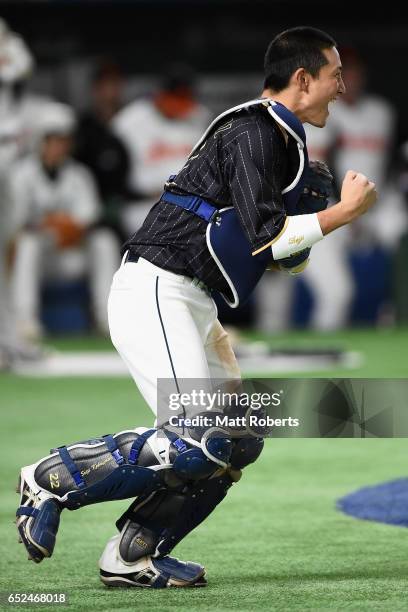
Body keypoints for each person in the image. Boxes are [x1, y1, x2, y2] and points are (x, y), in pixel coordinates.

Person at [16, 27, 377, 588]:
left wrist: (309, 220)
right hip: (157, 288)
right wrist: (343, 214)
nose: (342, 85)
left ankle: (132, 555)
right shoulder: (255, 129)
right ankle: (50, 478)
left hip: (193, 300)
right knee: (195, 436)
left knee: (237, 439)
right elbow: (266, 240)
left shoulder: (285, 142)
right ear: (302, 79)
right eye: (334, 74)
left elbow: (282, 259)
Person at [10, 102, 119, 338]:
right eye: (54, 140)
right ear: (40, 141)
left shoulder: (79, 174)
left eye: (64, 140)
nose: (60, 146)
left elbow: (88, 219)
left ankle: (106, 319)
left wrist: (62, 225)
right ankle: (25, 321)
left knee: (104, 241)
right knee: (28, 243)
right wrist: (52, 225)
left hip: (71, 256)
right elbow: (16, 224)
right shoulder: (22, 174)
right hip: (39, 260)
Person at [111, 62, 211, 234]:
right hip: (143, 204)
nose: (180, 106)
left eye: (185, 99)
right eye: (175, 99)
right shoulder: (129, 122)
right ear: (160, 94)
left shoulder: (200, 117)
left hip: (192, 204)